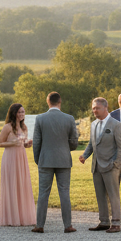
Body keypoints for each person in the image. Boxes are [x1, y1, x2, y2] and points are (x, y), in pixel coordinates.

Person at [31, 91, 79, 233]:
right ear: (60, 101)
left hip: (45, 160)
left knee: (43, 193)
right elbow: (74, 142)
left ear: (48, 101)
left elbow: (36, 142)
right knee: (64, 192)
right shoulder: (69, 118)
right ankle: (68, 225)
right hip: (64, 159)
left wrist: (38, 158)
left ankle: (39, 225)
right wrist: (66, 149)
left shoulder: (40, 118)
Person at [79, 97, 121, 233]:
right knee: (100, 195)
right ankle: (104, 221)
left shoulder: (116, 125)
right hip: (96, 166)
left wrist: (116, 163)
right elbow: (91, 143)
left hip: (111, 166)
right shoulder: (93, 124)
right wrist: (85, 155)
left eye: (97, 108)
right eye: (93, 108)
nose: (94, 111)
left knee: (113, 195)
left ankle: (116, 223)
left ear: (106, 108)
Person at [0, 103, 35, 227]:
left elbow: (22, 143)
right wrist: (11, 143)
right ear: (13, 113)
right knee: (12, 184)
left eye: (23, 112)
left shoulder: (24, 127)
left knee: (21, 184)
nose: (21, 114)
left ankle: (23, 216)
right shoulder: (7, 127)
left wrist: (28, 144)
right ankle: (11, 218)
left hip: (21, 158)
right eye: (19, 112)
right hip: (10, 158)